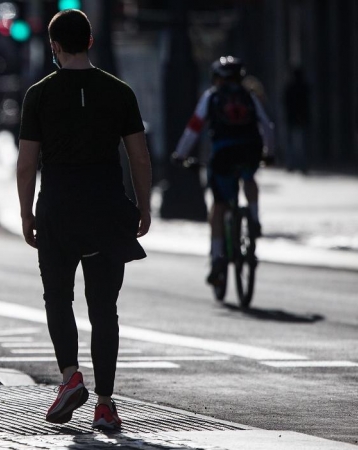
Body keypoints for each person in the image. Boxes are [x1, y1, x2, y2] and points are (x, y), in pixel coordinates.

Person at [16, 9, 152, 431]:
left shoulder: (39, 94)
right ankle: (106, 403)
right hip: (107, 208)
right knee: (103, 309)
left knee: (58, 297)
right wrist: (143, 206)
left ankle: (70, 376)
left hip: (58, 208)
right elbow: (138, 156)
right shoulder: (119, 92)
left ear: (54, 45)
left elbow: (26, 163)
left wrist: (26, 212)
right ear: (91, 42)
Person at [173, 56, 275, 285]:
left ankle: (218, 256)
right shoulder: (249, 96)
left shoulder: (212, 97)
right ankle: (254, 218)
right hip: (250, 149)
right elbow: (266, 126)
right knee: (249, 178)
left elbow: (194, 128)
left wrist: (180, 155)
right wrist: (269, 153)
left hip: (223, 155)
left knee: (218, 206)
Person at [283, 67, 310, 174]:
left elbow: (286, 103)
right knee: (300, 143)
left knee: (294, 143)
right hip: (300, 119)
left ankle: (293, 164)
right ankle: (300, 165)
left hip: (293, 119)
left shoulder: (290, 87)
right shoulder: (304, 87)